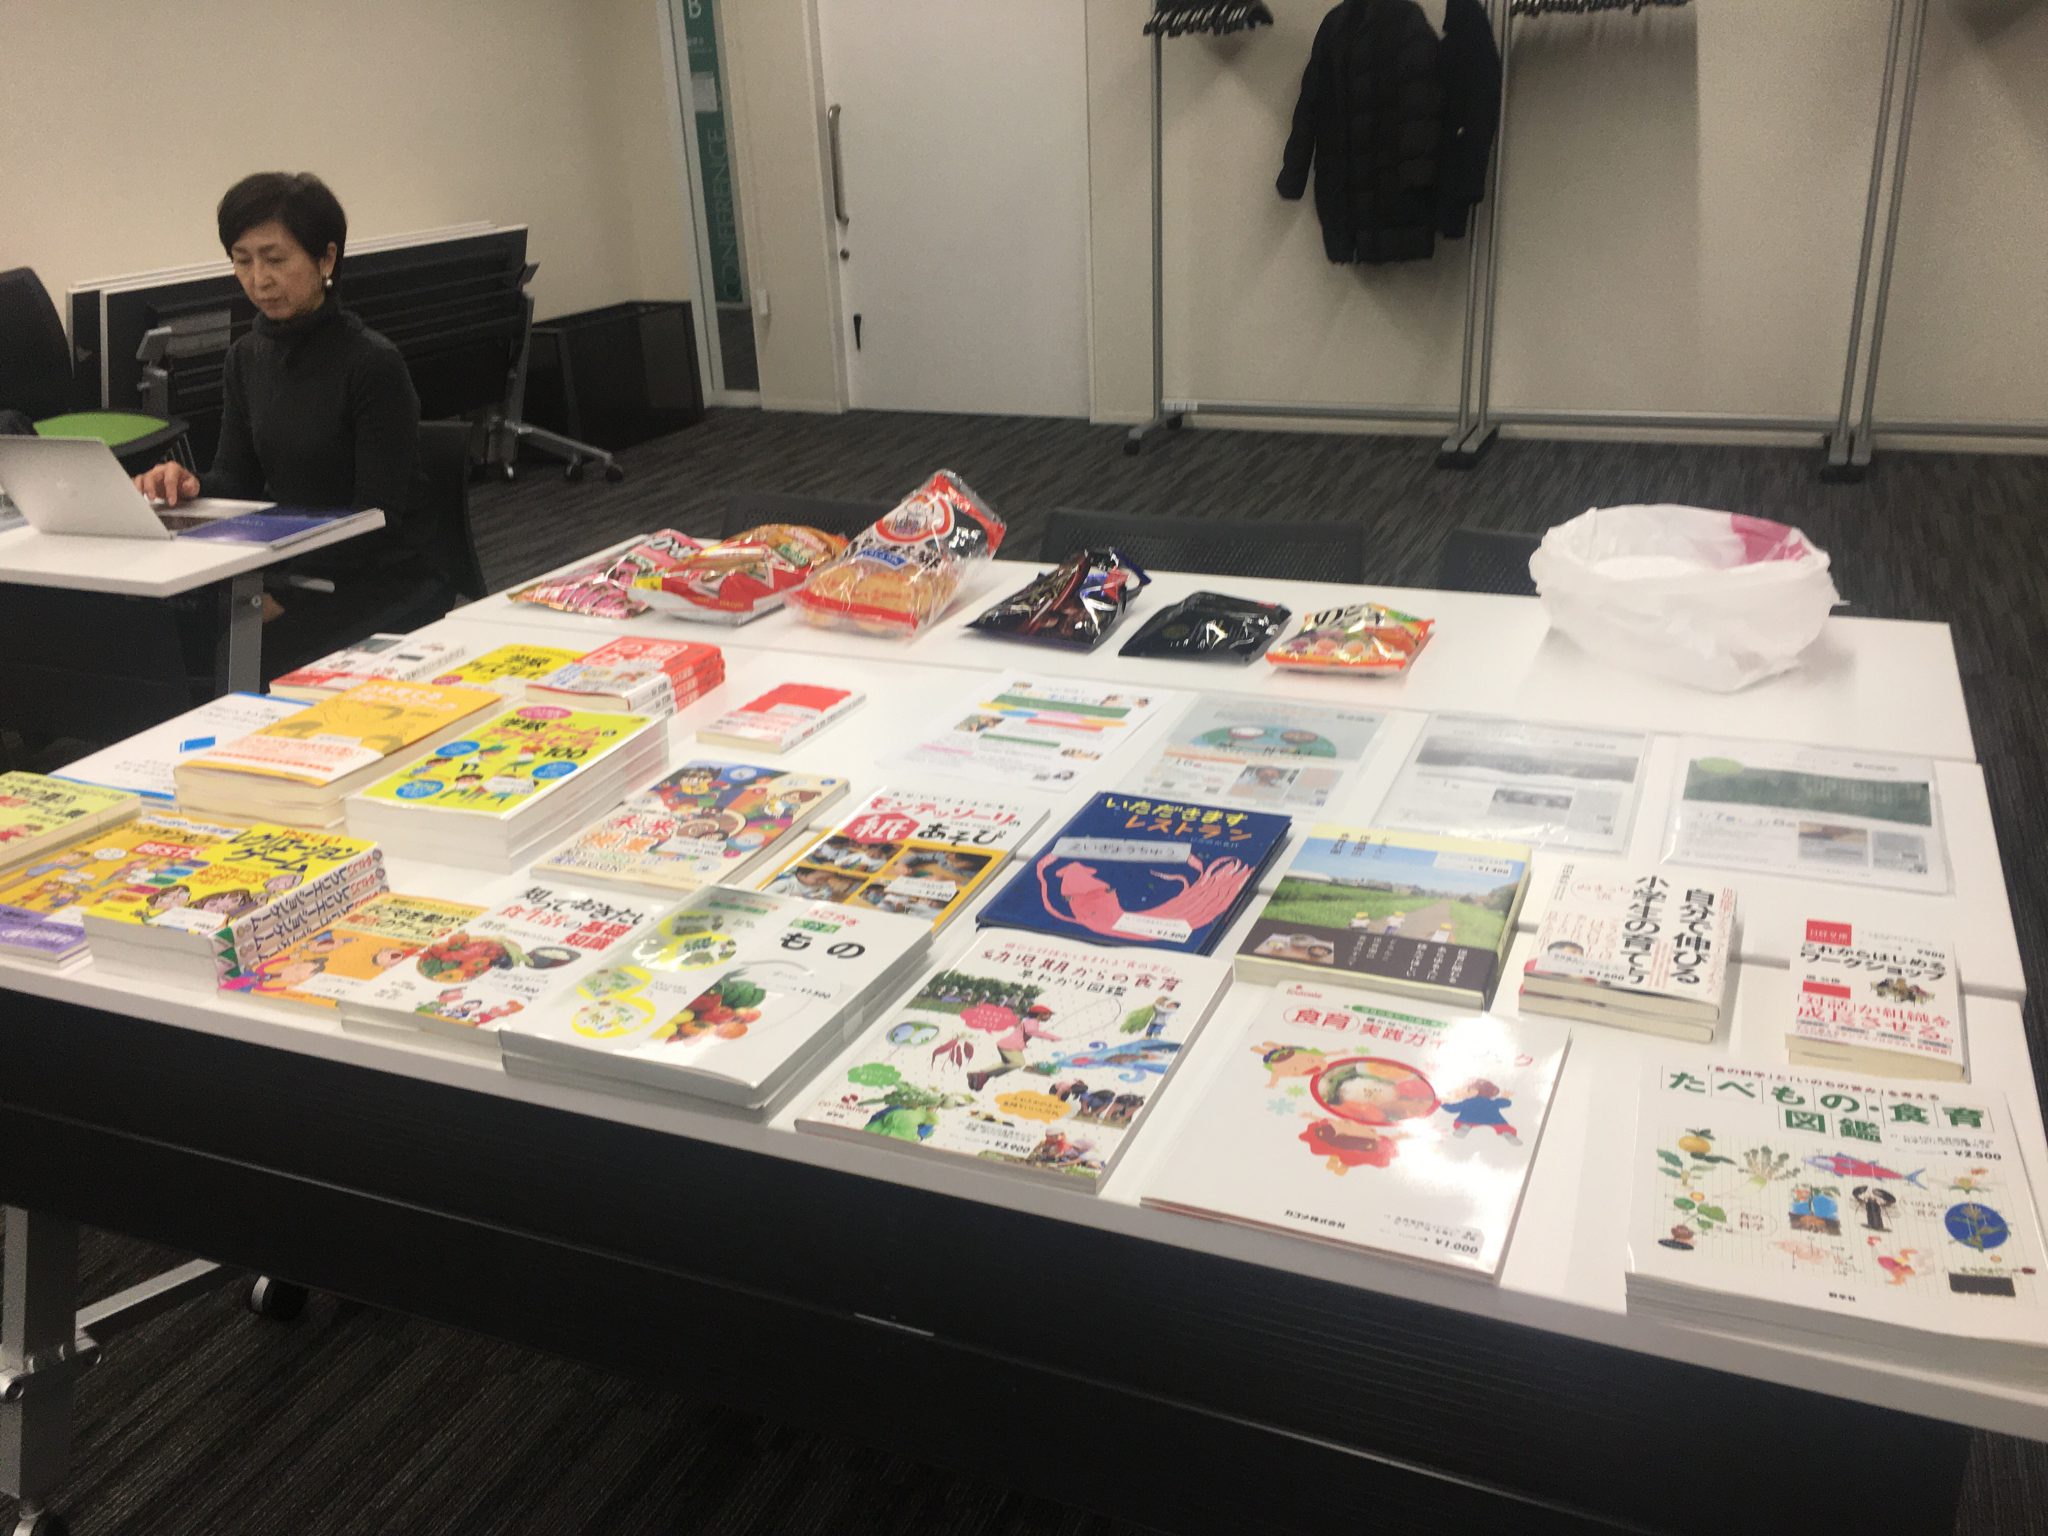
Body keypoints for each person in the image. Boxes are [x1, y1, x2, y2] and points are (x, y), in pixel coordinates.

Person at [134, 172, 422, 522]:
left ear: (326, 259)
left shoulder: (372, 363)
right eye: (243, 260)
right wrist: (190, 486)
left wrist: (290, 543)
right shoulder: (245, 357)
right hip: (285, 546)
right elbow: (238, 482)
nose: (259, 280)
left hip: (361, 552)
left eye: (275, 259)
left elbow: (379, 515)